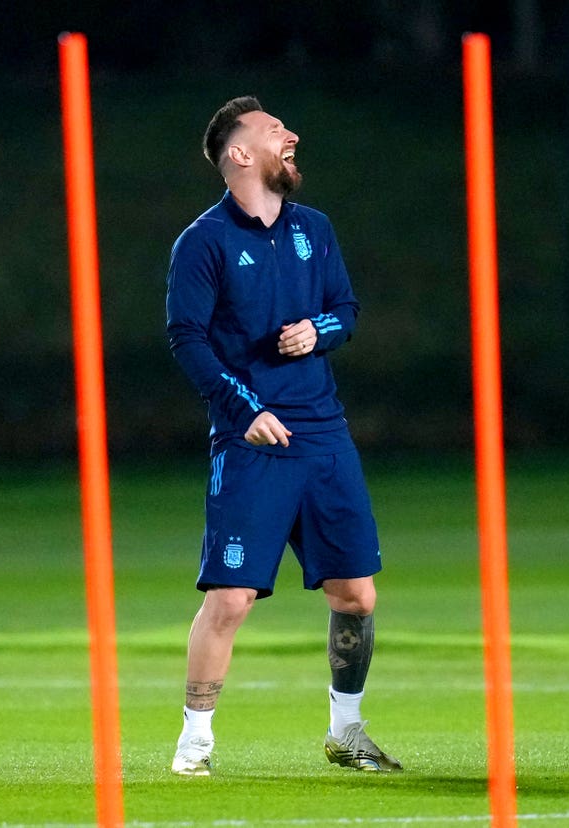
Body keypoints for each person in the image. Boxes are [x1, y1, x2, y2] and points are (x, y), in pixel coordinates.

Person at [165, 96, 402, 777]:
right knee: (231, 598)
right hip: (251, 443)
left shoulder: (314, 229)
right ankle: (195, 742)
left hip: (325, 436)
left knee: (356, 594)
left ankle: (347, 732)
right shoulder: (203, 242)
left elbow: (345, 310)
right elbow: (187, 337)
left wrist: (318, 331)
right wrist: (243, 411)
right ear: (240, 154)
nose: (292, 136)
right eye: (275, 131)